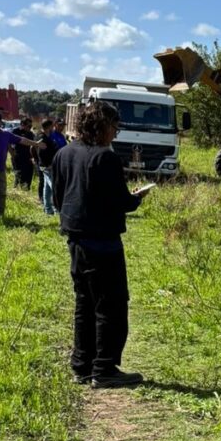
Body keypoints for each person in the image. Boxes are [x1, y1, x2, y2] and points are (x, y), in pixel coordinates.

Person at [53, 102, 149, 388]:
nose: (115, 134)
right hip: (103, 242)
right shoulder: (104, 158)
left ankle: (82, 365)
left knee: (85, 301)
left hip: (76, 239)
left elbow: (59, 197)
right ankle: (105, 368)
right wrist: (136, 197)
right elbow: (120, 201)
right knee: (112, 305)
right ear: (101, 125)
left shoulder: (64, 153)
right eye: (114, 127)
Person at [0, 111, 41, 218]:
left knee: (1, 192)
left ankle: (0, 214)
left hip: (0, 169)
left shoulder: (5, 134)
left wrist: (35, 144)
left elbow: (21, 140)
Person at [34, 119, 60, 216]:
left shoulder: (46, 136)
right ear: (49, 127)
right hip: (46, 166)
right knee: (54, 186)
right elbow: (40, 152)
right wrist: (46, 164)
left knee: (47, 188)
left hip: (47, 165)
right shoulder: (42, 137)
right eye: (52, 126)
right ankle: (55, 209)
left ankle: (47, 209)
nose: (53, 128)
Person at [11, 117, 36, 191]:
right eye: (28, 126)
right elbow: (9, 144)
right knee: (19, 175)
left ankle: (26, 191)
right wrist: (12, 153)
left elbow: (33, 146)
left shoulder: (31, 134)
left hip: (28, 158)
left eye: (31, 126)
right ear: (22, 124)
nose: (30, 128)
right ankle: (16, 191)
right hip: (18, 158)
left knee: (28, 175)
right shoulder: (16, 131)